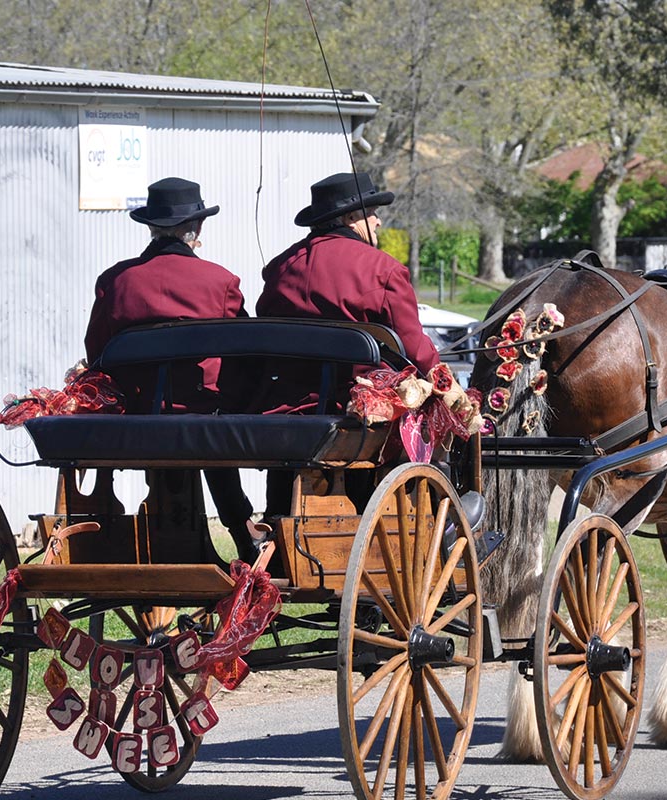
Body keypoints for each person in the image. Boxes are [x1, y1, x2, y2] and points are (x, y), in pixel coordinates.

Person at [85, 176, 265, 562]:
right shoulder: (221, 282)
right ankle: (242, 531)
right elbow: (245, 354)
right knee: (211, 431)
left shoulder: (116, 281)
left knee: (201, 427)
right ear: (197, 227)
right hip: (203, 419)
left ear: (151, 227)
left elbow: (96, 351)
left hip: (135, 420)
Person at [255, 171, 442, 514]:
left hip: (286, 409)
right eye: (371, 212)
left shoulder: (280, 268)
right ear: (352, 218)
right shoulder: (383, 269)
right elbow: (413, 347)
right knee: (433, 413)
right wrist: (444, 380)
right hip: (357, 413)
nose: (379, 220)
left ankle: (278, 519)